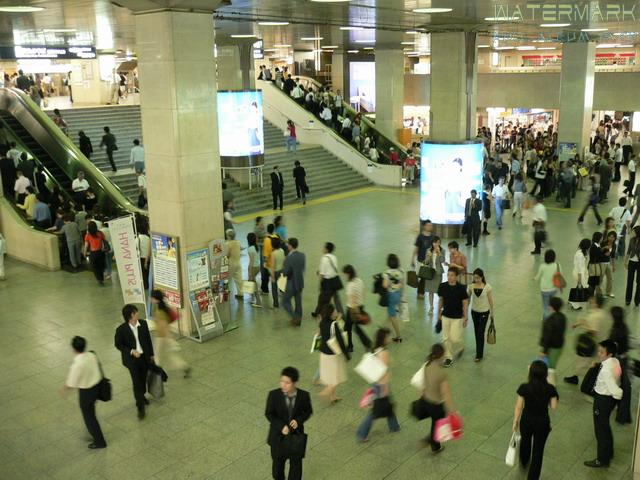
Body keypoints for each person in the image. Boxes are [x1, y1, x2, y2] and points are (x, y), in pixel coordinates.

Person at [512, 360, 559, 480]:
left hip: (526, 421)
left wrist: (515, 421)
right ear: (545, 374)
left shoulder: (524, 387)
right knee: (538, 451)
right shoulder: (550, 388)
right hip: (542, 423)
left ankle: (524, 461)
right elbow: (554, 407)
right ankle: (533, 477)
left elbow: (519, 406)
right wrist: (553, 389)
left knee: (525, 441)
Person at [58, 336, 107, 449]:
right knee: (91, 413)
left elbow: (71, 383)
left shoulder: (77, 364)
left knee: (89, 417)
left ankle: (100, 442)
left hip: (86, 393)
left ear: (74, 349)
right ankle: (95, 434)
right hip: (96, 388)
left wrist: (63, 390)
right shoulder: (91, 355)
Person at [265, 366, 313, 480]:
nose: (283, 385)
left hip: (296, 437)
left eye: (287, 383)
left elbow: (308, 411)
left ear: (294, 383)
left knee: (296, 468)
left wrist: (298, 420)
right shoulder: (274, 395)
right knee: (277, 469)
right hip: (278, 437)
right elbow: (269, 413)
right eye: (282, 381)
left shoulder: (303, 396)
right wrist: (281, 426)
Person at [356, 328, 400, 442]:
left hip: (376, 383)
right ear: (384, 339)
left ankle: (394, 426)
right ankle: (361, 433)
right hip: (382, 384)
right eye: (388, 337)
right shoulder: (384, 353)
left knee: (388, 404)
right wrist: (385, 388)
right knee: (376, 411)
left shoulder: (375, 349)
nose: (390, 338)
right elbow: (383, 372)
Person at [584, 340, 623, 468]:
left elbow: (616, 391)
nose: (599, 354)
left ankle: (602, 459)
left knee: (600, 430)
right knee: (605, 427)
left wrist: (619, 395)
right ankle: (609, 452)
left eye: (602, 352)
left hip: (603, 400)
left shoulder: (606, 370)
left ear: (609, 353)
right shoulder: (615, 361)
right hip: (608, 400)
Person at [114, 304, 155, 419]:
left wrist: (151, 354)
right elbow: (118, 345)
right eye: (136, 312)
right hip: (132, 361)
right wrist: (131, 351)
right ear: (132, 315)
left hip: (144, 357)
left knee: (143, 379)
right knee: (136, 382)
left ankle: (141, 396)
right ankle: (140, 407)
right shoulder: (121, 330)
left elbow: (148, 340)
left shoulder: (143, 324)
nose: (138, 313)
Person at [418, 343, 456, 453]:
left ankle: (432, 442)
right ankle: (433, 443)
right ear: (441, 355)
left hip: (427, 400)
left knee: (435, 423)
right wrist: (451, 410)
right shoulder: (441, 373)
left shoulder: (427, 365)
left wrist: (422, 396)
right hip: (437, 405)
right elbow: (446, 394)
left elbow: (423, 383)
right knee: (437, 424)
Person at [564, 294, 610, 385]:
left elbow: (593, 331)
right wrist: (579, 323)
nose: (590, 303)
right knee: (588, 362)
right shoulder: (601, 313)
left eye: (592, 302)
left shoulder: (595, 316)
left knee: (584, 363)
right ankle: (576, 376)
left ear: (596, 304)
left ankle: (584, 379)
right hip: (601, 343)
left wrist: (584, 324)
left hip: (592, 344)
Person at [150, 290, 191, 377]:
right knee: (170, 355)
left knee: (157, 355)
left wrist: (169, 338)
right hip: (164, 336)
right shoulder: (162, 307)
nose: (151, 299)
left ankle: (157, 374)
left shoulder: (159, 311)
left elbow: (163, 326)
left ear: (156, 299)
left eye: (152, 298)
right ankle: (184, 366)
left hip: (161, 337)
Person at [437, 267, 469, 367]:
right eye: (448, 275)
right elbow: (441, 300)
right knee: (446, 338)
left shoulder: (461, 288)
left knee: (454, 338)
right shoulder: (443, 286)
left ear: (456, 276)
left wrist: (465, 317)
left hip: (457, 317)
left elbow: (465, 302)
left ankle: (460, 346)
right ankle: (448, 358)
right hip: (446, 315)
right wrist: (438, 313)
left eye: (452, 275)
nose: (449, 277)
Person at [318, 304, 350, 403]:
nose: (336, 312)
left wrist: (338, 319)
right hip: (333, 354)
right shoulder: (334, 325)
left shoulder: (322, 322)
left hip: (324, 353)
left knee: (331, 376)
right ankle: (326, 392)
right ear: (331, 313)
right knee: (336, 378)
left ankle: (333, 397)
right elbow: (340, 341)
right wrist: (346, 355)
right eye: (335, 311)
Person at [467, 268, 495, 362]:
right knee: (476, 332)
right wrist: (464, 310)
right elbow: (468, 299)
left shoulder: (487, 287)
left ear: (482, 277)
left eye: (478, 278)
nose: (476, 280)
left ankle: (479, 354)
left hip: (484, 313)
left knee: (480, 332)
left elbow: (491, 301)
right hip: (474, 312)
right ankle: (478, 351)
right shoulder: (471, 286)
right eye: (475, 278)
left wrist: (492, 313)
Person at [342, 264, 371, 351]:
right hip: (360, 306)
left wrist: (356, 312)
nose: (344, 276)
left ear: (348, 274)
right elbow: (363, 292)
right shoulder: (359, 281)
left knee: (347, 328)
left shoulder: (350, 285)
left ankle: (350, 346)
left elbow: (352, 300)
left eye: (344, 274)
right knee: (356, 328)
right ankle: (367, 343)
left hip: (352, 309)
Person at [539, 297, 567, 384]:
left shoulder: (549, 320)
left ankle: (551, 385)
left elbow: (548, 337)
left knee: (550, 368)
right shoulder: (563, 317)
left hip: (551, 348)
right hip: (559, 346)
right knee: (552, 366)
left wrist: (544, 351)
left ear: (551, 307)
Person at [312, 242, 344, 317]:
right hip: (334, 281)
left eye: (324, 247)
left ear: (326, 249)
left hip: (327, 282)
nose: (323, 249)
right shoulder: (334, 257)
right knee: (336, 299)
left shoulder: (324, 258)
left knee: (323, 299)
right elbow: (331, 268)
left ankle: (319, 313)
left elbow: (322, 274)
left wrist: (321, 282)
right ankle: (341, 314)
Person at [282, 238, 305, 326]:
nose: (287, 245)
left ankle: (295, 317)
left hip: (291, 283)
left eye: (288, 244)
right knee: (298, 301)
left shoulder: (289, 258)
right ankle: (299, 316)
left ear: (291, 246)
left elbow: (286, 272)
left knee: (285, 301)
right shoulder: (302, 255)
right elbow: (302, 268)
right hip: (299, 281)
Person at [382, 253, 404, 343]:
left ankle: (398, 336)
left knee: (392, 316)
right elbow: (402, 283)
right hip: (398, 294)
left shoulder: (387, 273)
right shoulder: (401, 271)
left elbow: (385, 285)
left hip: (391, 295)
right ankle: (384, 329)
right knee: (390, 313)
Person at [534, 249, 561, 319]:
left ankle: (546, 320)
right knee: (552, 305)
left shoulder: (542, 266)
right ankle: (553, 317)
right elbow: (560, 275)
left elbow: (538, 276)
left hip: (545, 289)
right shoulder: (557, 265)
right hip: (554, 288)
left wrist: (534, 278)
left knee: (546, 306)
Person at [411, 219, 434, 298]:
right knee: (421, 276)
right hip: (421, 260)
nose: (430, 227)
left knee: (425, 277)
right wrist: (412, 258)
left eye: (431, 225)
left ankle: (421, 292)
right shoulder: (420, 237)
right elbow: (416, 248)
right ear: (424, 226)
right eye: (428, 225)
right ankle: (420, 292)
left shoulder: (433, 237)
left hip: (429, 261)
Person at [423, 236, 445, 314]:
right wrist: (429, 256)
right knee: (430, 291)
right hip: (430, 273)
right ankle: (431, 307)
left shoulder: (442, 250)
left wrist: (439, 253)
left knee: (439, 291)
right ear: (432, 243)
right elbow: (426, 262)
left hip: (438, 273)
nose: (436, 244)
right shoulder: (428, 250)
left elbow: (443, 260)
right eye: (435, 242)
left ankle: (440, 306)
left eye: (438, 242)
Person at [570, 238, 591, 310]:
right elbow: (579, 268)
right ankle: (575, 305)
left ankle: (573, 303)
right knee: (579, 288)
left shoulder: (580, 252)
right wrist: (580, 280)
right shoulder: (580, 255)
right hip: (579, 274)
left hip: (579, 272)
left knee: (577, 288)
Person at [624, 225, 640, 306]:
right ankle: (628, 299)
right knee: (629, 281)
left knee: (639, 282)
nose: (632, 232)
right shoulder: (631, 240)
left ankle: (637, 300)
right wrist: (625, 261)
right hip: (631, 262)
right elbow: (628, 251)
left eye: (633, 231)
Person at [226, 229, 243, 300]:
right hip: (238, 262)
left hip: (231, 263)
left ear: (229, 236)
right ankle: (240, 293)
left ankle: (227, 292)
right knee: (239, 279)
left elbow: (227, 254)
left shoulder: (227, 244)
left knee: (227, 279)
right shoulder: (238, 242)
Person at [247, 232, 263, 308]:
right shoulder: (256, 247)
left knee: (253, 284)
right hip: (258, 266)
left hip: (253, 267)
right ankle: (253, 299)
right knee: (252, 282)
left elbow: (251, 261)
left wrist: (249, 272)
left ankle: (258, 302)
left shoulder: (250, 249)